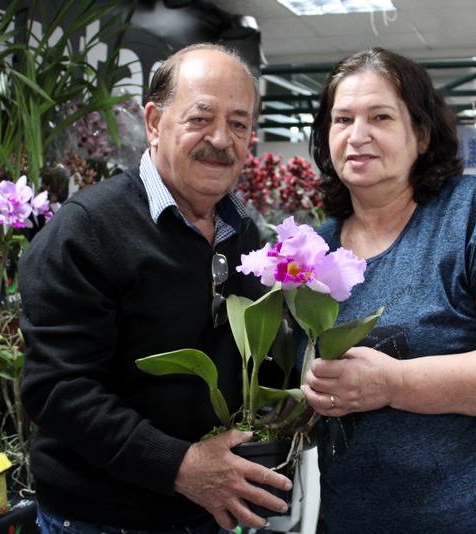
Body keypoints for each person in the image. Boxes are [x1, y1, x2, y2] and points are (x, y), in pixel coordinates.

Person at [299, 47, 476, 534]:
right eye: (342, 119)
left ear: (422, 134)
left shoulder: (474, 212)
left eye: (380, 117)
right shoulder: (315, 250)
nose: (357, 135)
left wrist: (393, 384)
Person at [19, 43, 292, 534]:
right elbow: (58, 389)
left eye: (239, 123)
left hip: (209, 509)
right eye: (200, 118)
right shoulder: (87, 231)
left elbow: (252, 358)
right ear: (153, 122)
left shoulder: (242, 234)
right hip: (105, 517)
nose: (221, 139)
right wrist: (180, 466)